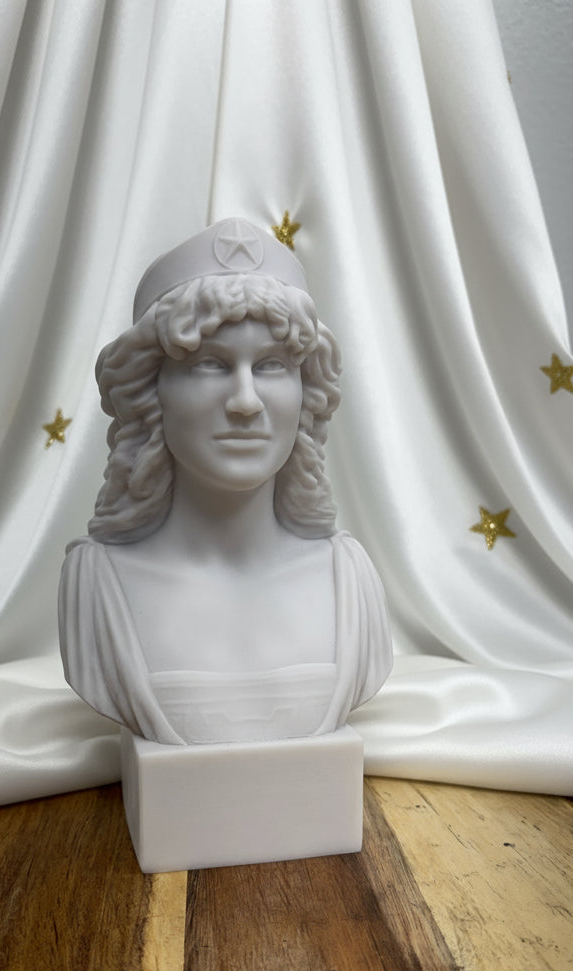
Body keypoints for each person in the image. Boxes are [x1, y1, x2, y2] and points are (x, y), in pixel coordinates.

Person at [59, 218, 391, 744]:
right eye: (210, 365)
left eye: (272, 366)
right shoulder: (97, 586)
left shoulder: (349, 581)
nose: (245, 401)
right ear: (150, 394)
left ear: (307, 393)